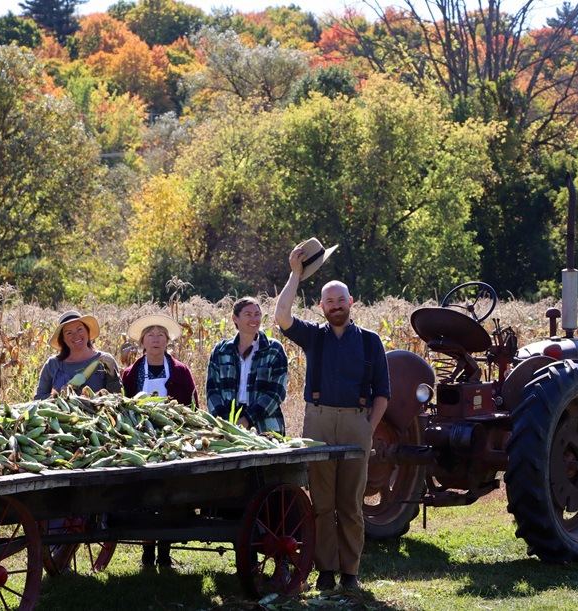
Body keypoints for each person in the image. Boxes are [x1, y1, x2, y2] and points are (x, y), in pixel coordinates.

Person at [273, 238, 389, 592]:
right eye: (329, 301)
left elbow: (382, 394)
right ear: (320, 306)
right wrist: (295, 275)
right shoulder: (313, 337)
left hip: (356, 423)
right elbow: (281, 316)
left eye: (341, 300)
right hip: (319, 421)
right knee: (322, 504)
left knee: (351, 505)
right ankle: (325, 571)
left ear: (351, 303)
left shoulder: (370, 341)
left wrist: (367, 429)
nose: (336, 306)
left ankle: (350, 574)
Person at [121, 313, 198, 569]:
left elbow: (193, 408)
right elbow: (122, 410)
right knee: (146, 497)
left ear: (167, 341)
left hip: (173, 441)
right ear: (143, 341)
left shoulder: (180, 371)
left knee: (170, 495)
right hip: (141, 441)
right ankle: (146, 553)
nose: (156, 340)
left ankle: (164, 553)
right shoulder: (131, 374)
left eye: (161, 335)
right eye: (151, 335)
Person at [205, 296, 288, 435]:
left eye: (257, 314)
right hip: (228, 425)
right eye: (248, 315)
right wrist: (225, 422)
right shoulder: (221, 350)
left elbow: (276, 393)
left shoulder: (274, 349)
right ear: (235, 318)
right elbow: (212, 390)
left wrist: (246, 420)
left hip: (265, 425)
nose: (254, 319)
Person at [34, 310, 121, 399]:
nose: (76, 335)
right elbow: (38, 399)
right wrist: (58, 395)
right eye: (69, 333)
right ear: (63, 339)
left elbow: (118, 398)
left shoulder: (105, 361)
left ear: (87, 331)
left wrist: (112, 375)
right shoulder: (52, 364)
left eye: (79, 329)